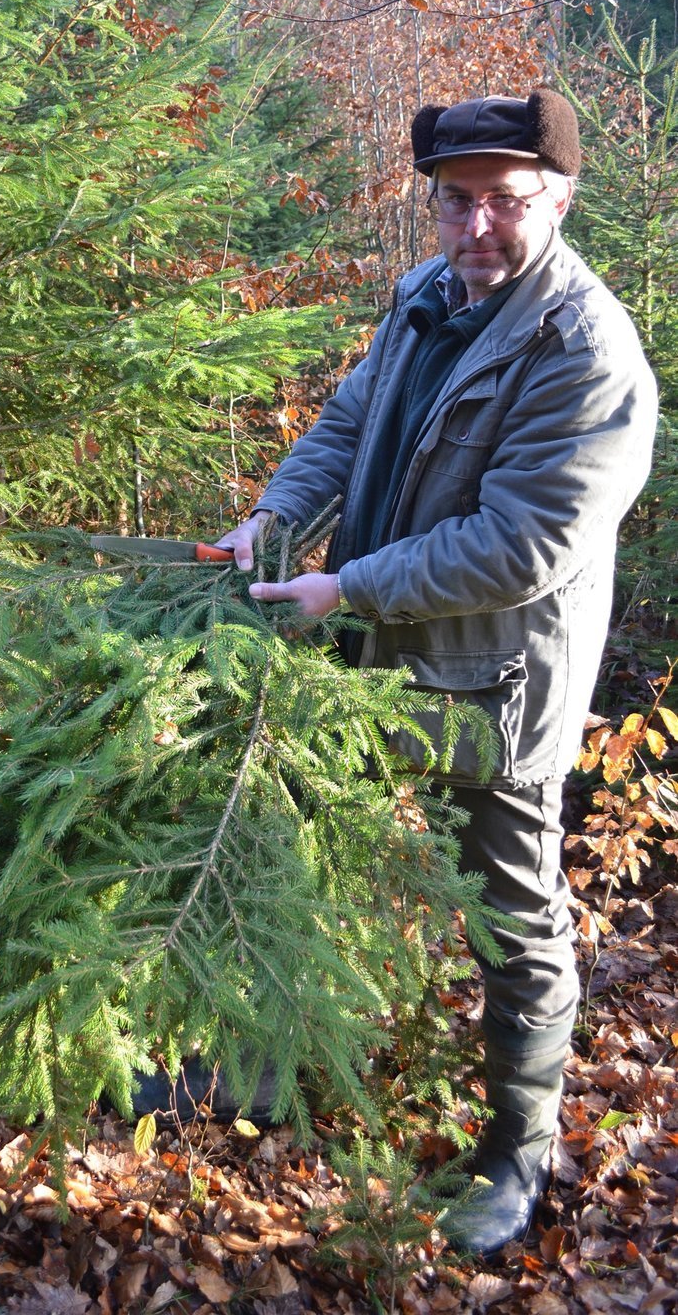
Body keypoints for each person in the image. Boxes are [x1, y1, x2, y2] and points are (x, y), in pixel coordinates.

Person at [220, 89, 658, 1256]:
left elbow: (525, 543)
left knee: (512, 919)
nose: (476, 227)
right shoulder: (425, 297)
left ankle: (517, 1155)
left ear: (557, 198)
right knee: (301, 846)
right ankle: (272, 1065)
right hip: (368, 648)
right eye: (455, 201)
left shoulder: (584, 349)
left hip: (494, 683)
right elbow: (347, 424)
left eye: (505, 202)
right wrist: (273, 518)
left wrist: (345, 586)